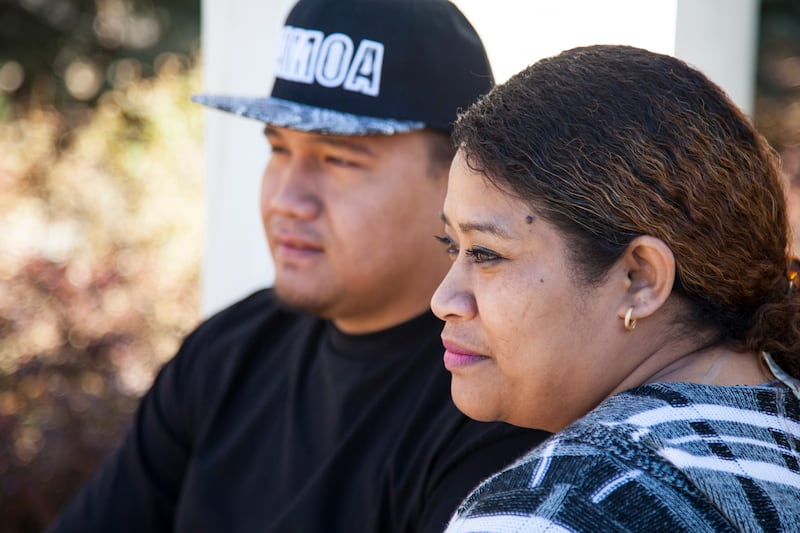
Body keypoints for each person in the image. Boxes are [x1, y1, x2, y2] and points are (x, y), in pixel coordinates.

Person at [46, 1, 550, 532]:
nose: (288, 198)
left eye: (339, 159)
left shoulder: (497, 401)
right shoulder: (228, 351)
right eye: (279, 149)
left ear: (456, 178)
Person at [432, 44, 800, 532]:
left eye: (486, 254)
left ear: (640, 279)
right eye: (450, 245)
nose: (443, 301)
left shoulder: (551, 508)